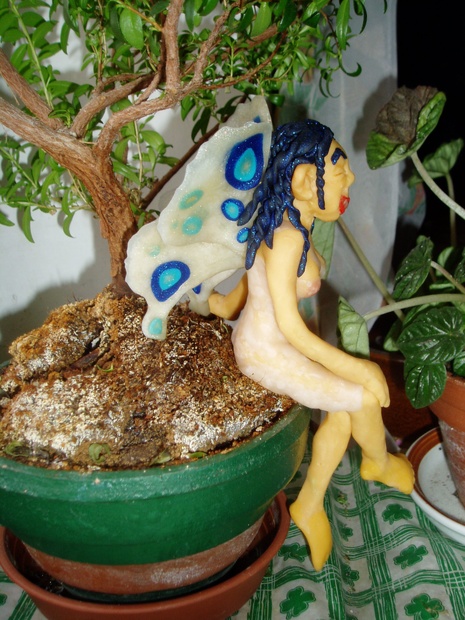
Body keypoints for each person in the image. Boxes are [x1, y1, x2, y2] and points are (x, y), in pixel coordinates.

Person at [208, 119, 414, 571]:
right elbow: (292, 328)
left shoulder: (288, 225)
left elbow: (251, 283)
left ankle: (310, 504)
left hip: (276, 342)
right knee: (362, 398)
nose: (351, 178)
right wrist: (360, 368)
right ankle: (377, 462)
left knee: (341, 410)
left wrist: (221, 305)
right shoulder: (285, 239)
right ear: (303, 181)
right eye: (339, 170)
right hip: (267, 350)